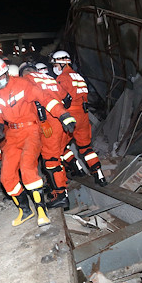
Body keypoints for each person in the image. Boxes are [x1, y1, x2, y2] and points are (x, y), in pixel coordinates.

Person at [0, 57, 75, 227]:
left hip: (31, 130)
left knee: (27, 168)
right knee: (7, 177)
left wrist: (63, 115)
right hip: (12, 134)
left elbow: (46, 98)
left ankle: (42, 211)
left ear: (5, 73)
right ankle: (25, 211)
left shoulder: (23, 84)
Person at [51, 50, 107, 187]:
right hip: (83, 115)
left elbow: (61, 100)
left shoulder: (62, 78)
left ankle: (75, 167)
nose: (55, 68)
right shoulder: (79, 77)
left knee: (58, 147)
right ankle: (99, 174)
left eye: (56, 65)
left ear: (62, 63)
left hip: (70, 116)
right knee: (86, 147)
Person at [19, 62, 71, 209]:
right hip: (61, 121)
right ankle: (56, 188)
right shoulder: (48, 78)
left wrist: (41, 118)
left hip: (48, 123)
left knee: (51, 160)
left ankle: (61, 195)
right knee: (57, 158)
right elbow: (67, 99)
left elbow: (33, 103)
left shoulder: (26, 80)